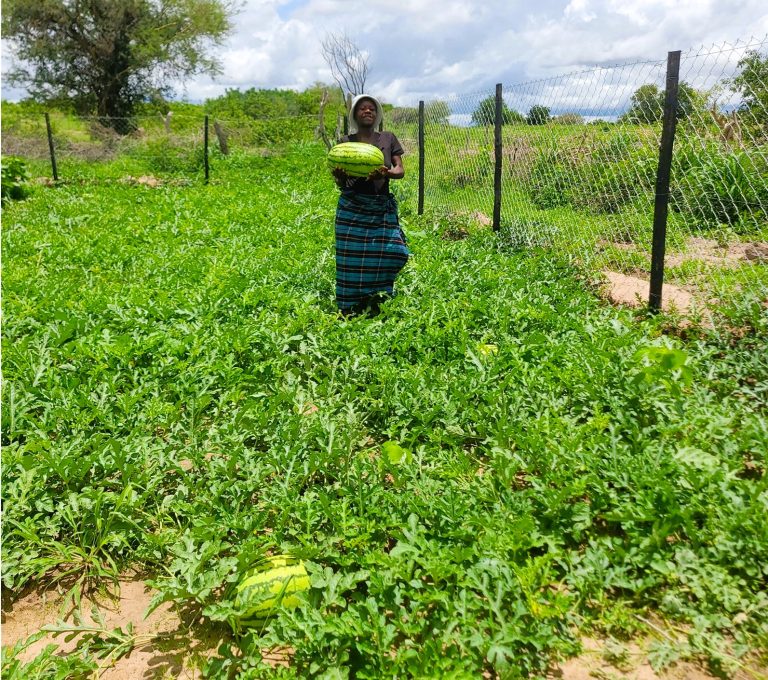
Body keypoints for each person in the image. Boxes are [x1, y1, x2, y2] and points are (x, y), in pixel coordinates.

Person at [332, 94, 409, 317]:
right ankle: (348, 305)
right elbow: (340, 181)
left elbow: (400, 170)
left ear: (377, 115)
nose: (368, 111)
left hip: (380, 206)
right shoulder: (345, 143)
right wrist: (338, 177)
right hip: (352, 206)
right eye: (363, 109)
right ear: (355, 114)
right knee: (350, 257)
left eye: (372, 109)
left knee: (392, 253)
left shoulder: (388, 138)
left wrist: (387, 173)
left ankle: (378, 294)